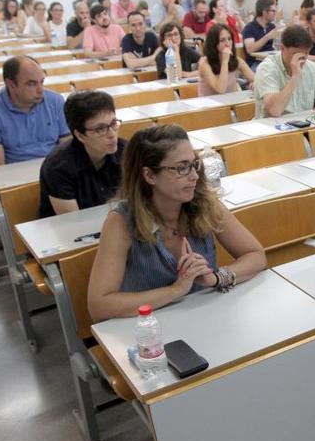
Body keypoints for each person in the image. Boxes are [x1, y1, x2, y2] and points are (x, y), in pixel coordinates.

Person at [86, 124, 267, 322]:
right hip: (151, 329)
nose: (194, 176)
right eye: (181, 168)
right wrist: (177, 289)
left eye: (193, 164)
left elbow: (256, 256)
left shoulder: (203, 203)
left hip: (207, 317)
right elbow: (99, 306)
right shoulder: (120, 222)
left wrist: (216, 278)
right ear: (149, 175)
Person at [39, 91, 125, 218]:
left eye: (113, 123)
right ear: (80, 135)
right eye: (100, 129)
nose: (112, 134)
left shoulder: (126, 151)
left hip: (116, 224)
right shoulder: (58, 167)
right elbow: (74, 223)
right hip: (67, 232)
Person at [0, 56, 70, 166]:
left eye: (42, 82)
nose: (40, 90)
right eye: (32, 84)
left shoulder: (56, 101)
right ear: (11, 84)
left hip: (56, 171)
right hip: (16, 177)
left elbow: (67, 150)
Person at [254, 25, 315, 117]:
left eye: (306, 53)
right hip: (271, 127)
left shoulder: (309, 66)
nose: (302, 59)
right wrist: (295, 76)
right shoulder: (267, 68)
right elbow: (274, 110)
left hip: (302, 125)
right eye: (296, 54)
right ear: (282, 48)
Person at [198, 24, 255, 96]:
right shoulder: (204, 63)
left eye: (229, 39)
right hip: (210, 105)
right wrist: (225, 61)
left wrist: (254, 83)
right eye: (222, 40)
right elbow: (220, 90)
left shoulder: (237, 61)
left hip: (232, 104)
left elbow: (255, 79)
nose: (228, 43)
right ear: (214, 43)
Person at [242, 0, 280, 70]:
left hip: (271, 61)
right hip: (256, 63)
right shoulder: (249, 28)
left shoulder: (272, 27)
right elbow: (250, 49)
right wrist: (267, 37)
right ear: (264, 12)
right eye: (273, 11)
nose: (275, 13)